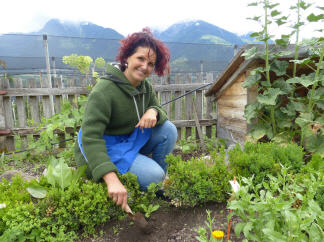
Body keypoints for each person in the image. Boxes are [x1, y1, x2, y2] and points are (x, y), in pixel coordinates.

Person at [74, 28, 177, 212]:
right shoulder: (104, 91)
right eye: (141, 59)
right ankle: (146, 178)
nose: (145, 67)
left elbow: (159, 110)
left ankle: (154, 187)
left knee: (168, 130)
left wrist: (153, 111)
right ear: (127, 57)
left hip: (127, 140)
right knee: (154, 175)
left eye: (151, 63)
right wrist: (111, 178)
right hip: (103, 147)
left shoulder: (144, 87)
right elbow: (90, 138)